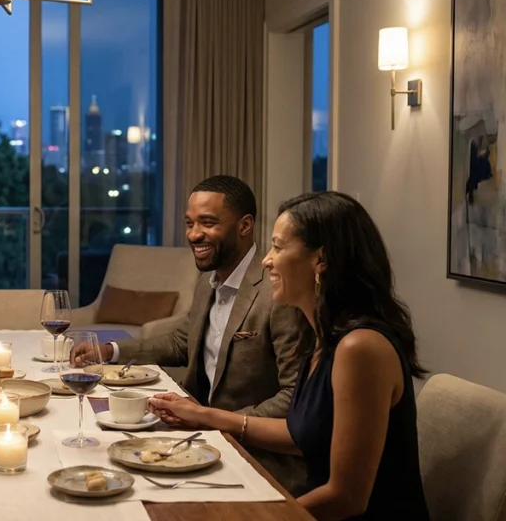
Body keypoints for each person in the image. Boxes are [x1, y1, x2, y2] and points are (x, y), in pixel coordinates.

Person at [149, 191, 430, 520]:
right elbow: (301, 436)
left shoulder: (360, 348)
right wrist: (203, 416)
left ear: (320, 260)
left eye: (279, 247)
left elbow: (346, 498)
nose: (267, 259)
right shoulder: (324, 336)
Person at [70, 174, 309, 493]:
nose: (194, 235)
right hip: (197, 435)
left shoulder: (276, 293)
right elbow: (182, 342)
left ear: (245, 225)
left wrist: (212, 419)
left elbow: (293, 397)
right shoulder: (209, 279)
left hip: (256, 455)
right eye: (189, 223)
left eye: (208, 223)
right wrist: (109, 351)